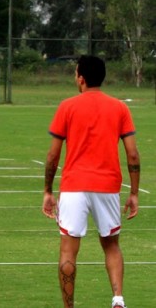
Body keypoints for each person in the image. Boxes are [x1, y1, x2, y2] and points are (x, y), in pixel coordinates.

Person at [42, 56, 139, 308]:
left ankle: (69, 306)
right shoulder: (120, 108)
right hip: (107, 187)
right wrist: (134, 193)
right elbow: (132, 154)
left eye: (75, 73)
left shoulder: (67, 106)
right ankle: (118, 299)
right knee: (112, 245)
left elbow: (53, 155)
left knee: (67, 251)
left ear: (81, 78)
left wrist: (47, 191)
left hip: (74, 187)